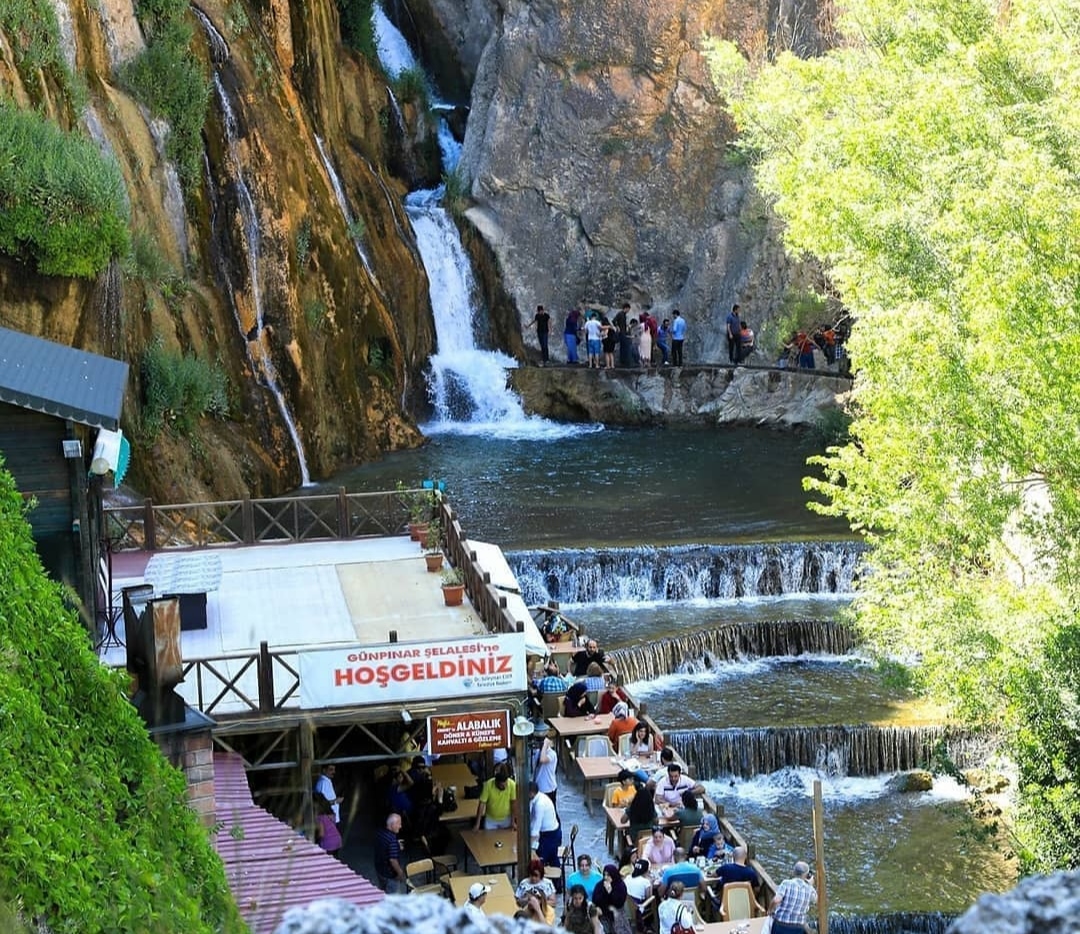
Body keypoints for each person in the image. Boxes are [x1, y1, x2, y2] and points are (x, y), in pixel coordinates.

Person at [771, 861, 817, 934]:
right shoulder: (809, 889)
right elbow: (816, 900)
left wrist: (770, 910)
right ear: (807, 875)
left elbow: (776, 900)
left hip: (780, 924)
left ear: (793, 872)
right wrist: (810, 885)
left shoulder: (786, 883)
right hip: (797, 927)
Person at [591, 863, 633, 934]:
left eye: (608, 875)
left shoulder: (620, 886)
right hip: (604, 913)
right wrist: (605, 891)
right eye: (605, 875)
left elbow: (619, 903)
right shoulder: (600, 885)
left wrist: (610, 892)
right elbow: (595, 900)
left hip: (617, 913)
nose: (606, 877)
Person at [529, 782, 562, 867]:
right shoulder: (537, 798)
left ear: (531, 793)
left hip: (550, 835)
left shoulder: (540, 804)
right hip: (549, 833)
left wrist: (532, 847)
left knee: (540, 860)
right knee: (552, 858)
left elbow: (536, 828)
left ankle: (554, 878)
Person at [474, 765, 516, 830]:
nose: (504, 786)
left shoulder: (512, 784)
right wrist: (477, 824)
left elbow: (513, 804)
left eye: (505, 783)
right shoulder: (488, 785)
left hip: (506, 819)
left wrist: (513, 821)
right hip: (490, 820)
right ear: (496, 782)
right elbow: (481, 804)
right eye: (502, 785)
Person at [374, 813, 406, 892]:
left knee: (382, 893)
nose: (400, 826)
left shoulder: (380, 832)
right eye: (399, 824)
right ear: (393, 824)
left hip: (380, 871)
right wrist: (400, 873)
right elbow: (392, 860)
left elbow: (384, 847)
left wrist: (396, 846)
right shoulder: (392, 840)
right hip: (390, 876)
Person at [625, 779, 657, 846]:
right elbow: (656, 822)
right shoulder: (651, 810)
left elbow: (623, 821)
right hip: (649, 839)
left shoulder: (632, 809)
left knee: (625, 832)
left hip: (635, 838)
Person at [534, 734, 559, 812]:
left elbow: (542, 759)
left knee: (551, 811)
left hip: (548, 788)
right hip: (540, 787)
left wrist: (545, 745)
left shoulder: (552, 754)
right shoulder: (538, 752)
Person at [313, 792, 342, 857]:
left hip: (328, 843)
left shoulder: (319, 817)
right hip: (337, 840)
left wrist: (315, 841)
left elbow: (321, 834)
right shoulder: (331, 813)